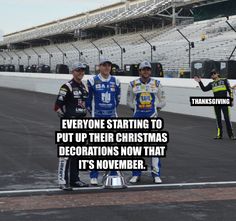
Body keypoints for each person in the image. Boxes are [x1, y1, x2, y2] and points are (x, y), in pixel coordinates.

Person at [127, 61, 166, 184]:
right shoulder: (133, 84)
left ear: (150, 71)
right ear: (139, 71)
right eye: (143, 69)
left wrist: (157, 108)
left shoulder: (157, 83)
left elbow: (163, 99)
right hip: (137, 119)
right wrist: (137, 110)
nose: (146, 72)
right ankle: (135, 174)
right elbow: (129, 101)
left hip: (152, 118)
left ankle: (156, 174)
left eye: (148, 69)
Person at [54, 63, 89, 190]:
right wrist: (66, 119)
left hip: (81, 123)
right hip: (70, 124)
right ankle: (62, 180)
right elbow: (57, 106)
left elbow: (86, 104)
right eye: (78, 70)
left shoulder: (84, 86)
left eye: (82, 71)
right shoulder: (67, 86)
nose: (80, 73)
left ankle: (75, 179)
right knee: (66, 154)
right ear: (73, 71)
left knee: (77, 153)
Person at [86, 57, 121, 185]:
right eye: (104, 65)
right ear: (99, 67)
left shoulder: (116, 81)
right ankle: (94, 174)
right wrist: (94, 113)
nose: (106, 68)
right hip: (97, 118)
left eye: (108, 65)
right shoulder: (91, 80)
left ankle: (112, 172)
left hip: (112, 118)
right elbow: (88, 101)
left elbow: (117, 99)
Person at [194, 69, 235, 140]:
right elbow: (204, 89)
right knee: (218, 119)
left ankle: (231, 135)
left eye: (214, 73)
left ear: (217, 74)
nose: (212, 75)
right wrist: (200, 82)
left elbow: (230, 90)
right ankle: (219, 135)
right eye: (211, 74)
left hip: (224, 102)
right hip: (216, 103)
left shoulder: (224, 80)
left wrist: (231, 100)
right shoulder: (211, 84)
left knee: (227, 118)